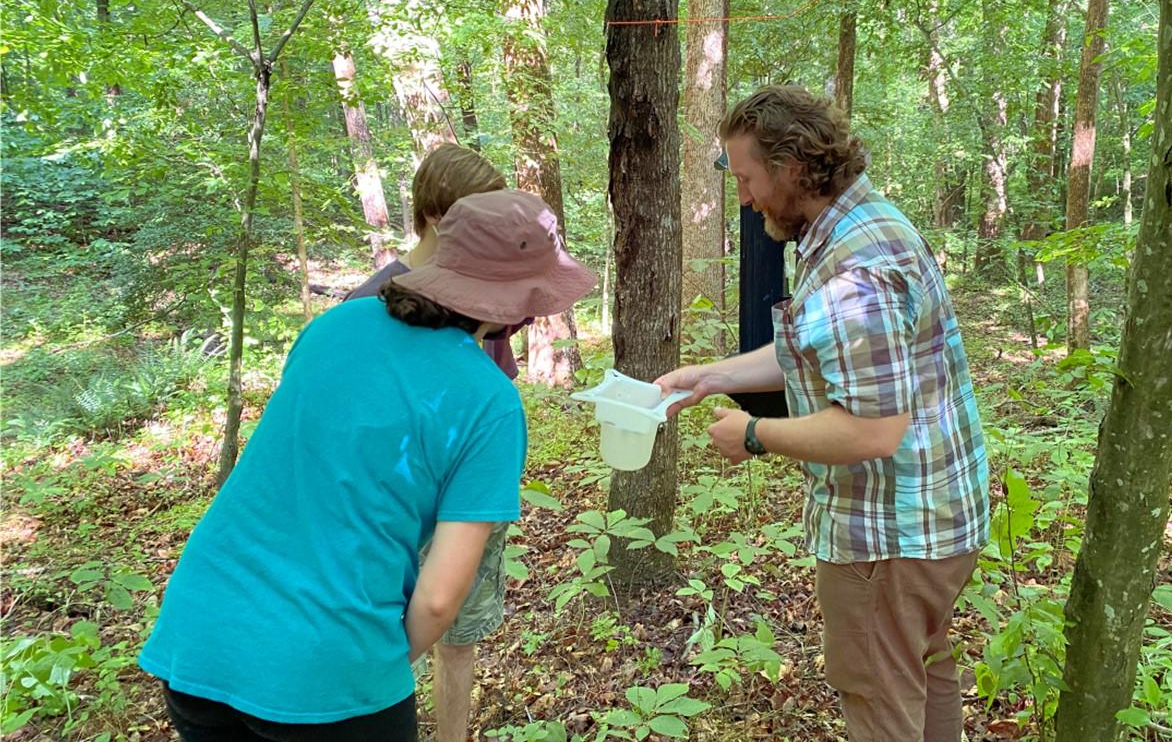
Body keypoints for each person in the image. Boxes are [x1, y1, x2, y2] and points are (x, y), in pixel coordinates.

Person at [139, 189, 596, 742]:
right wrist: (364, 666)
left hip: (199, 633)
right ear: (518, 303)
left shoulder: (337, 324)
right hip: (329, 662)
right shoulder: (489, 400)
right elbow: (439, 598)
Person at [658, 85, 989, 742]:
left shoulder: (853, 268)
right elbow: (810, 351)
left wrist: (754, 434)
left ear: (788, 168)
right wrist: (711, 376)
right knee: (923, 670)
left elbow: (871, 429)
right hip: (934, 516)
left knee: (878, 694)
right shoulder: (858, 226)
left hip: (889, 535)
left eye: (747, 178)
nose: (745, 198)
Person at [344, 145, 523, 742]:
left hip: (470, 493)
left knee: (458, 634)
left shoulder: (486, 299)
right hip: (400, 505)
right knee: (399, 625)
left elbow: (501, 363)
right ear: (441, 219)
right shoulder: (367, 306)